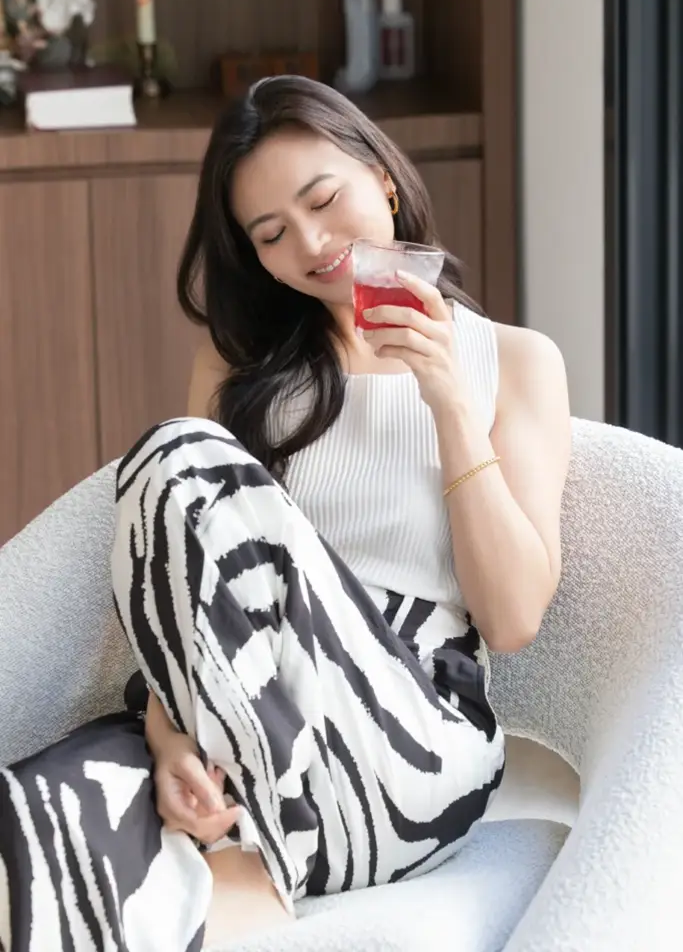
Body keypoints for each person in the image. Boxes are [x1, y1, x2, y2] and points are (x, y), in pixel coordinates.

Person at [0, 75, 570, 951]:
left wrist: (449, 402)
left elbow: (514, 617)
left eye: (323, 200)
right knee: (34, 832)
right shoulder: (239, 370)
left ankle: (241, 859)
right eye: (271, 234)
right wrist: (168, 739)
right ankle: (238, 885)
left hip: (411, 744)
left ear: (382, 176)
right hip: (241, 722)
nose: (311, 243)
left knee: (177, 455)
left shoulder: (516, 362)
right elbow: (187, 582)